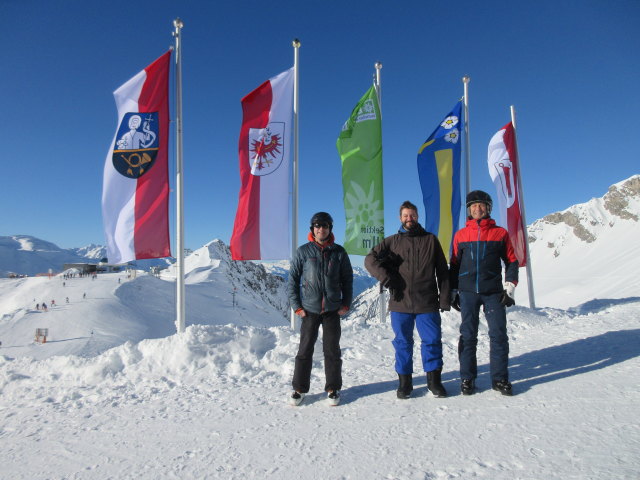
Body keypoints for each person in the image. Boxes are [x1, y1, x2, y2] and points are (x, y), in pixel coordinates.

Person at [365, 201, 451, 399]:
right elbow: (369, 260)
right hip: (400, 301)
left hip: (427, 301)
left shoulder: (431, 240)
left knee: (432, 341)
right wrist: (386, 278)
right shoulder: (392, 241)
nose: (409, 219)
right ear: (400, 218)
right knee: (403, 343)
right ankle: (405, 383)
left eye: (412, 215)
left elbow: (442, 271)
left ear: (417, 216)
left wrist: (444, 298)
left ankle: (434, 382)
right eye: (405, 215)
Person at [450, 190, 519, 396]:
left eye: (481, 205)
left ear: (488, 208)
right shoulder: (461, 235)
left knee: (498, 335)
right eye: (473, 206)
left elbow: (512, 261)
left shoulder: (500, 233)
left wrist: (510, 287)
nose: (477, 209)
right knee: (468, 336)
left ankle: (500, 379)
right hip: (468, 292)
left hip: (493, 292)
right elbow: (454, 264)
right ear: (469, 211)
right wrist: (453, 290)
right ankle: (467, 379)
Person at [287, 212, 353, 406]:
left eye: (324, 226)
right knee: (305, 350)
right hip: (309, 310)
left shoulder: (339, 252)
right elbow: (292, 281)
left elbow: (347, 280)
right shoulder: (303, 252)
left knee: (332, 350)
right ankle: (299, 389)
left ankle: (333, 389)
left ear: (330, 229)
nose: (321, 229)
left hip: (332, 309)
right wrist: (297, 306)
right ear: (312, 229)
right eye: (317, 226)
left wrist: (346, 303)